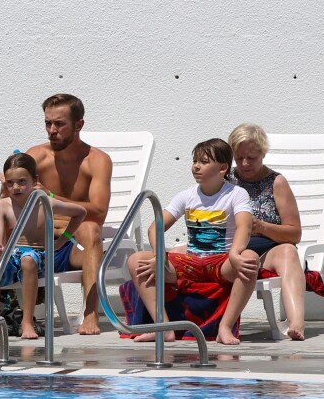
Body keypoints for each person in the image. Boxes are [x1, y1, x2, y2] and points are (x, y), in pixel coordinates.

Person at [126, 138, 260, 346]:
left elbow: (245, 226)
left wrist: (234, 254)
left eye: (204, 162)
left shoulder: (236, 194)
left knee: (250, 258)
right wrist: (159, 257)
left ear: (222, 168)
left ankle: (225, 327)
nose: (196, 166)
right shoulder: (187, 195)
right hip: (190, 261)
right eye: (195, 160)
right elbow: (156, 227)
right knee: (136, 260)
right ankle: (163, 327)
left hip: (221, 262)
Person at [24, 94, 113, 334]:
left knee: (90, 229)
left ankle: (91, 313)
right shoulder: (36, 157)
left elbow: (98, 212)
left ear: (79, 125)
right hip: (37, 243)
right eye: (47, 123)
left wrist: (50, 198)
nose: (52, 130)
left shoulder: (97, 161)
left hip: (70, 244)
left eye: (59, 124)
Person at [0, 153, 88, 340]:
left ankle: (27, 322)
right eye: (10, 182)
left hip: (39, 255)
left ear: (34, 180)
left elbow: (80, 212)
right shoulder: (3, 206)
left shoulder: (44, 203)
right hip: (12, 253)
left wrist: (62, 240)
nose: (16, 187)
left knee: (28, 260)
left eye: (22, 181)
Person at [228, 123, 307, 340]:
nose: (244, 163)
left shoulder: (276, 183)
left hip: (266, 250)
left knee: (289, 252)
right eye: (239, 157)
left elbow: (294, 233)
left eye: (251, 157)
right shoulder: (226, 179)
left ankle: (296, 323)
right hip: (230, 249)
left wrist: (261, 226)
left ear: (263, 153)